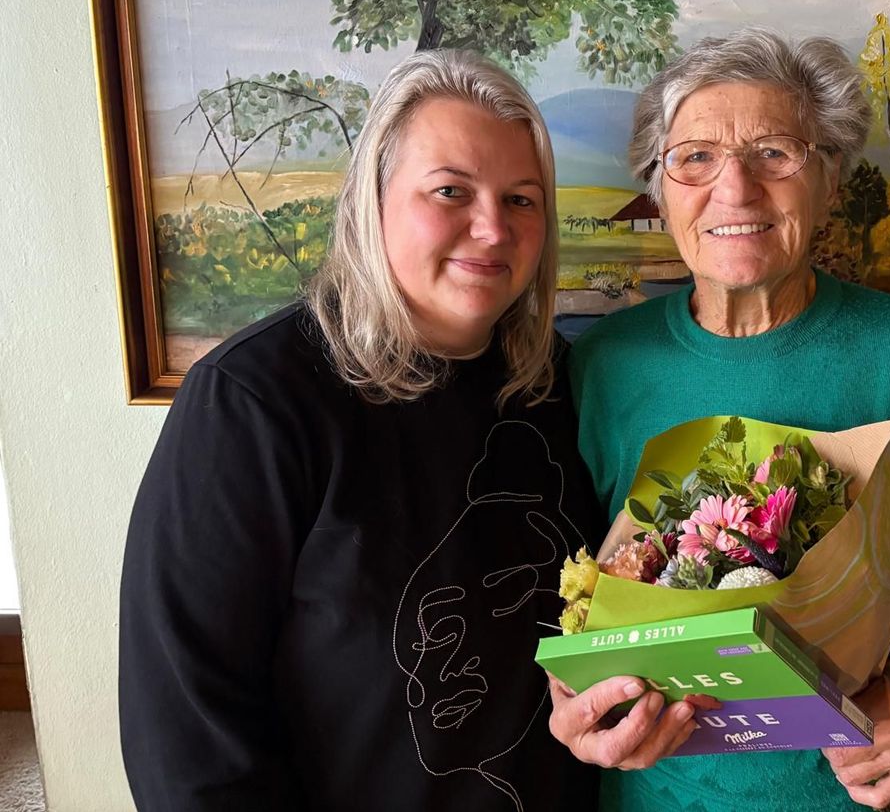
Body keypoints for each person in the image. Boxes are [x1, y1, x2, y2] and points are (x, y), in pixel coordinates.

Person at [551, 28, 890, 811]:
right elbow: (570, 591)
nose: (735, 189)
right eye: (695, 158)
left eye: (775, 152)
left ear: (831, 178)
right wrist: (571, 696)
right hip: (667, 798)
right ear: (660, 186)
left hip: (874, 796)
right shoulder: (601, 366)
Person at [119, 49, 604, 812]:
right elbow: (187, 731)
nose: (491, 228)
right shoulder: (252, 403)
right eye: (450, 191)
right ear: (371, 201)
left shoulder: (563, 388)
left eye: (522, 199)